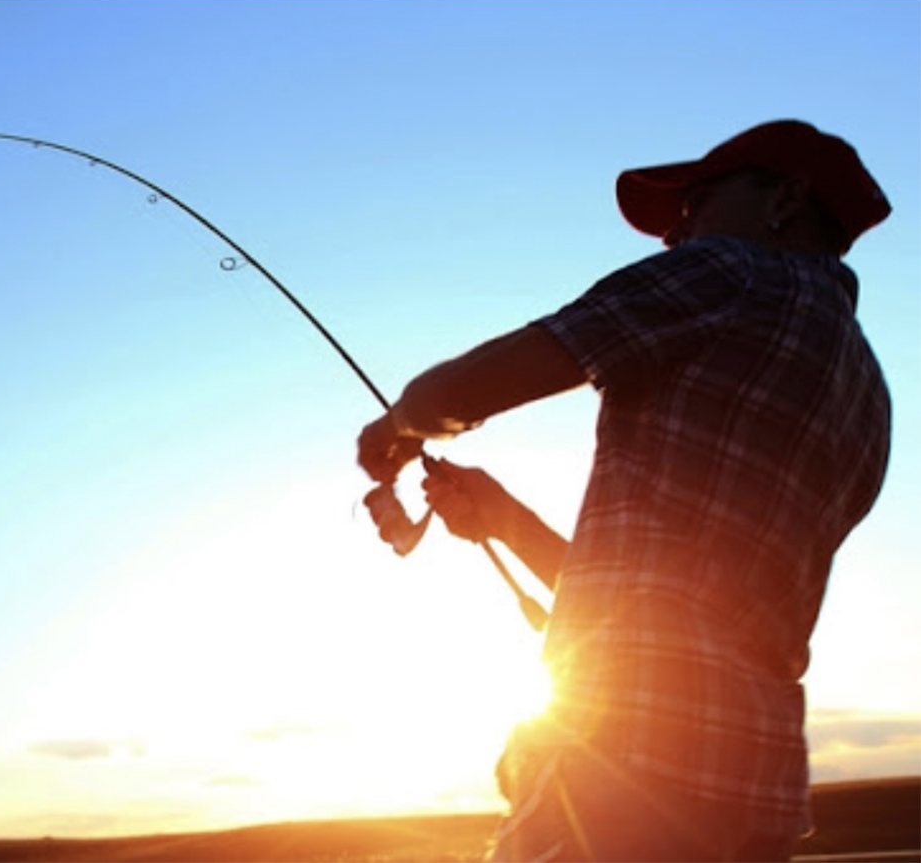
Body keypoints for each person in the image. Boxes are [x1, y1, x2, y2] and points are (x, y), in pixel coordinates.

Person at [356, 119, 892, 862]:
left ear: (786, 198)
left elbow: (462, 389)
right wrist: (508, 521)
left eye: (695, 202)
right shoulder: (870, 394)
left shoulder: (729, 272)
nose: (675, 234)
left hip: (631, 760)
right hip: (754, 784)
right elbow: (675, 595)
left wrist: (404, 423)